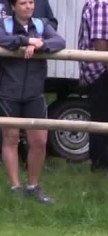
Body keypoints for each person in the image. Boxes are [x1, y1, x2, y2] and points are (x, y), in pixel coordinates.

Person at [0, 0, 65, 204]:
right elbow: (3, 39)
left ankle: (33, 186)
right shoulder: (4, 25)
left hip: (35, 93)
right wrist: (26, 41)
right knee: (11, 139)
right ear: (13, 7)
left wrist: (41, 44)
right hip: (8, 93)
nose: (28, 7)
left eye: (31, 2)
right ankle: (15, 187)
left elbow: (59, 42)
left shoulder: (41, 24)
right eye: (22, 3)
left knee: (39, 142)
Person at [78, 0, 108, 177]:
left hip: (97, 70)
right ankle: (104, 166)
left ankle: (102, 166)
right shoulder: (103, 4)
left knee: (102, 117)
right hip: (101, 70)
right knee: (106, 119)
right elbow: (100, 40)